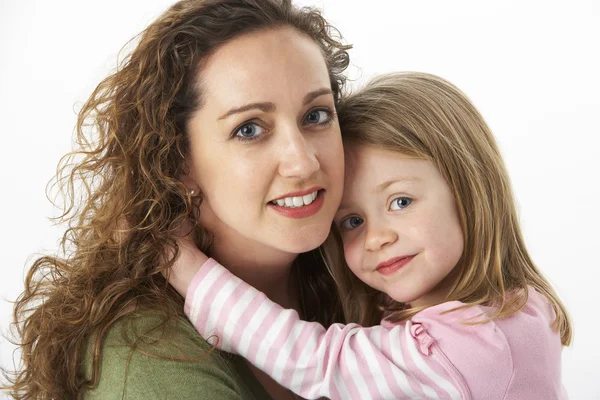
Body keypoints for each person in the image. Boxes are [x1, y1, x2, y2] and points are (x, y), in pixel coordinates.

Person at [5, 0, 352, 398]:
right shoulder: (150, 357)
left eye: (316, 116)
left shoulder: (366, 274)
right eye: (250, 129)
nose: (303, 163)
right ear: (176, 159)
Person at [169, 72, 572, 399]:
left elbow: (319, 361)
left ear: (471, 191)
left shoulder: (476, 347)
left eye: (400, 202)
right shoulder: (514, 309)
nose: (376, 238)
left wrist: (186, 268)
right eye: (352, 222)